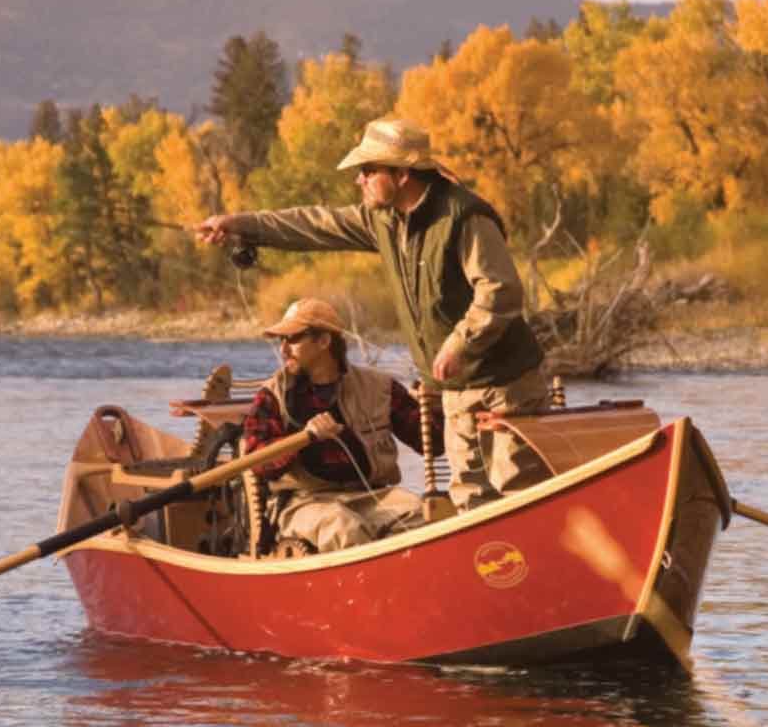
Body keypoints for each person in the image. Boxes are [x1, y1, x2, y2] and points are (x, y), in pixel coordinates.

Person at [194, 116, 550, 510]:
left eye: (367, 171)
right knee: (470, 501)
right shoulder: (383, 219)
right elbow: (313, 224)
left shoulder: (464, 217)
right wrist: (240, 225)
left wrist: (459, 345)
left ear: (401, 174)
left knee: (520, 497)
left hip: (505, 387)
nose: (358, 180)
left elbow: (500, 290)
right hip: (454, 392)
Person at [241, 295, 427, 556]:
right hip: (302, 503)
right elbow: (257, 463)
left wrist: (436, 403)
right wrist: (306, 437)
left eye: (292, 339)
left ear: (324, 341)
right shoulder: (272, 394)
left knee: (422, 516)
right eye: (281, 340)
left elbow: (431, 442)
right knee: (343, 527)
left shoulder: (380, 388)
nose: (283, 349)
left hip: (372, 496)